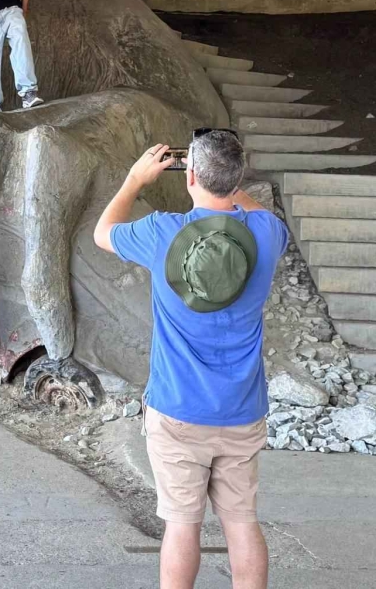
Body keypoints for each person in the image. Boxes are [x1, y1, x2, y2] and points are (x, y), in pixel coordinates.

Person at [92, 129, 288, 589]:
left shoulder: (163, 232)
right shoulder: (266, 233)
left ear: (189, 175)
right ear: (237, 176)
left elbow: (103, 233)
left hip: (178, 409)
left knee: (182, 525)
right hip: (242, 410)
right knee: (241, 521)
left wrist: (134, 180)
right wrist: (227, 181)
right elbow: (254, 211)